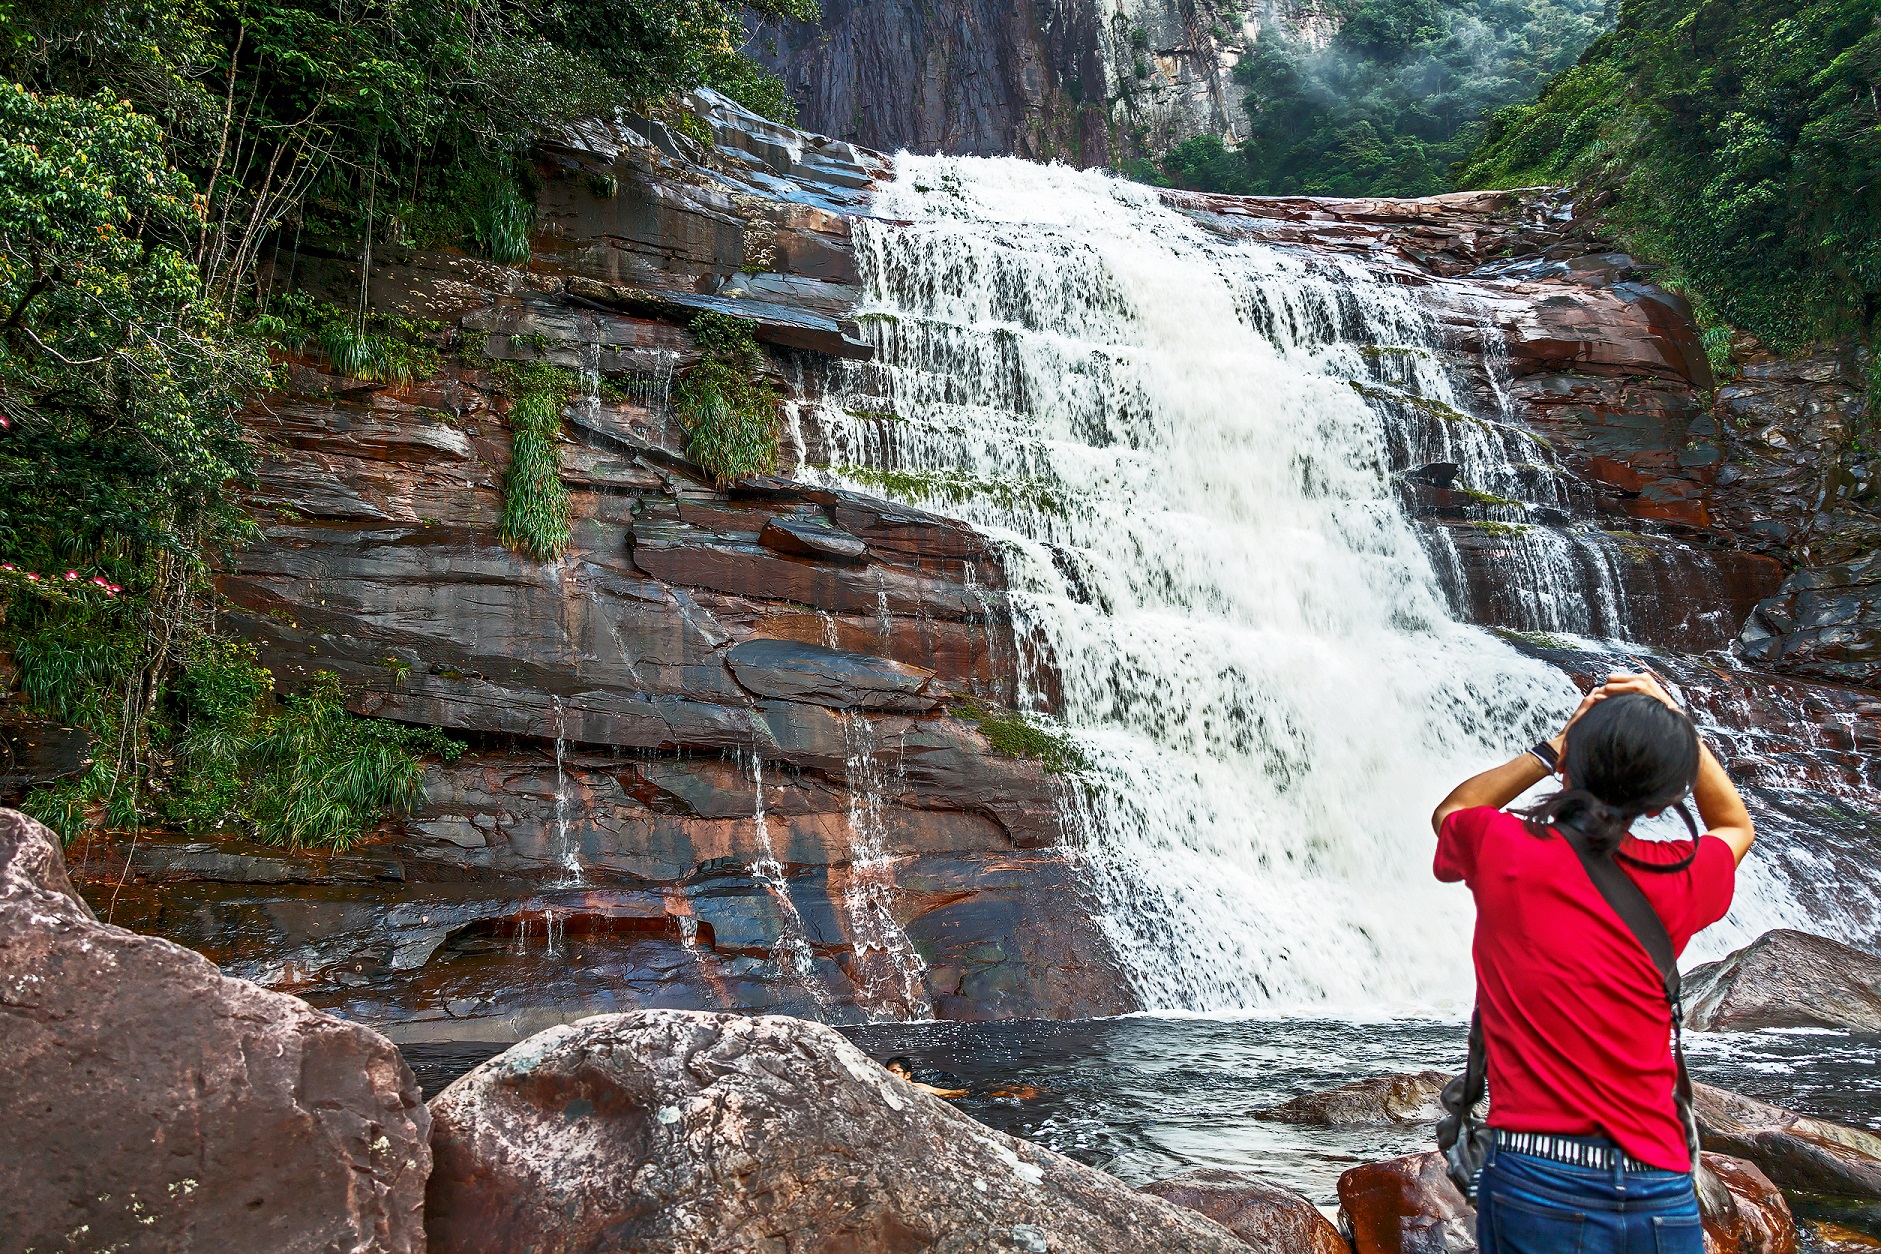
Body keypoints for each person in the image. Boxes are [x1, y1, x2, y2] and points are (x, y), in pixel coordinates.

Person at [1431, 670, 1755, 1254]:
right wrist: (1674, 726)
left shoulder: (1499, 846)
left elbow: (1454, 809)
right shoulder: (1681, 876)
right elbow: (1735, 824)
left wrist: (1554, 747)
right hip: (1661, 1183)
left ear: (1570, 767)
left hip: (1537, 1176)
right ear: (1664, 797)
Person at [883, 1056, 967, 1098]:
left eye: (896, 1072)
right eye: (889, 1072)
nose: (892, 1075)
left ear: (907, 1075)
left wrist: (961, 1093)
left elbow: (939, 1092)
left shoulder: (918, 1087)